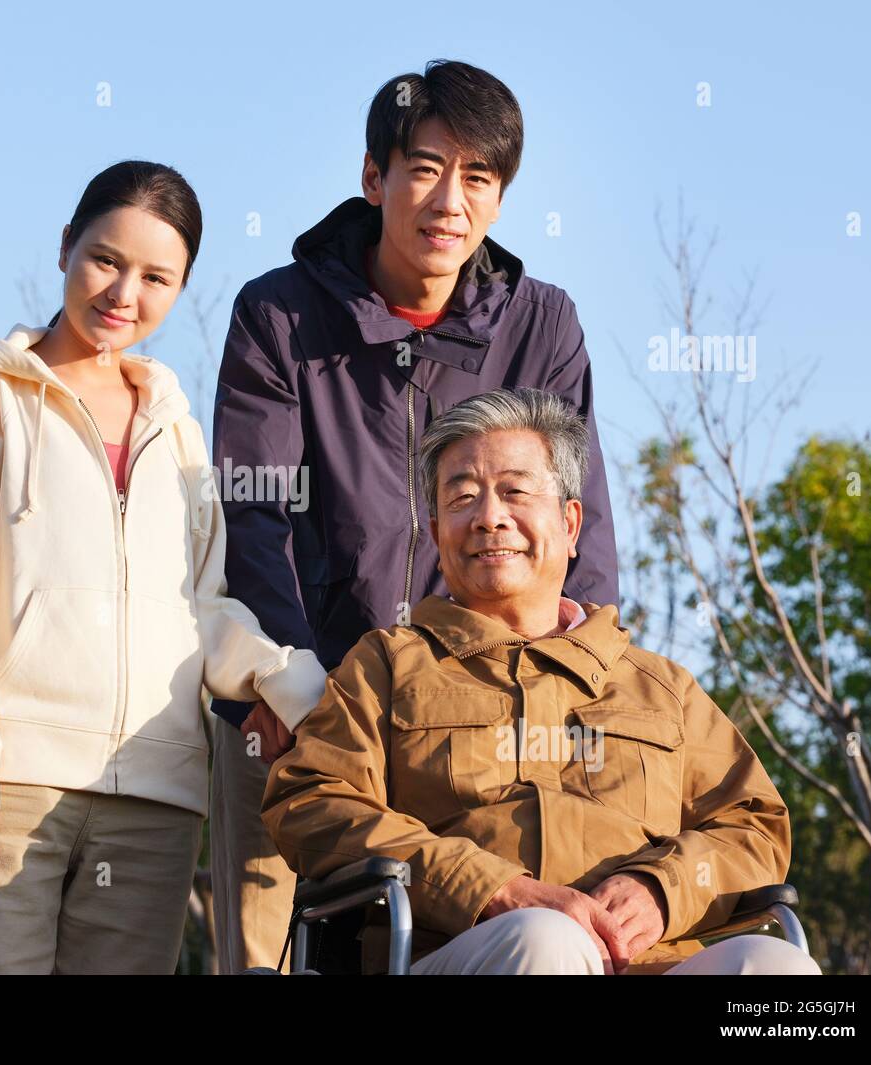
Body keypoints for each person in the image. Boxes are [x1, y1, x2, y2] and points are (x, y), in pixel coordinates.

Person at [209, 58, 620, 973]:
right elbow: (255, 513)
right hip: (295, 696)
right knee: (269, 944)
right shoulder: (279, 313)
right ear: (372, 176)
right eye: (427, 167)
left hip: (468, 714)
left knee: (493, 933)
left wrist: (594, 683)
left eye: (479, 177)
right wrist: (288, 685)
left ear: (502, 199)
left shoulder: (542, 324)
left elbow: (573, 525)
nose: (450, 200)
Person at [0, 160, 327, 974]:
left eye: (156, 276)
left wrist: (290, 684)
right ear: (65, 247)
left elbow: (205, 607)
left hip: (157, 800)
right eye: (105, 259)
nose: (124, 293)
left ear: (182, 287)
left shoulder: (178, 427)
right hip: (10, 788)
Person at [262, 388, 820, 975]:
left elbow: (754, 826)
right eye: (462, 497)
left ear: (570, 523)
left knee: (778, 971)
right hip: (459, 953)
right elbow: (311, 799)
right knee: (545, 940)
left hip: (650, 961)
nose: (489, 517)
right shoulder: (387, 664)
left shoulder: (661, 685)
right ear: (435, 531)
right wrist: (487, 887)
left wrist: (662, 888)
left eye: (516, 491)